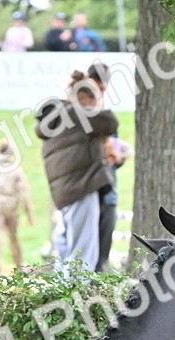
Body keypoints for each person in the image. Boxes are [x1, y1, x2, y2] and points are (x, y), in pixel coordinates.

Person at [35, 63, 118, 272]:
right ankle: (76, 298)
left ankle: (63, 291)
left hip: (65, 194)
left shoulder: (59, 117)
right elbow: (110, 121)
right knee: (83, 254)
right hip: (82, 188)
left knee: (68, 251)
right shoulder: (77, 115)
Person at [0, 140, 35, 275]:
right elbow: (24, 192)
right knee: (14, 237)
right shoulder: (16, 169)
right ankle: (19, 265)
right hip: (11, 205)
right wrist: (30, 214)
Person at [96, 136, 128, 272]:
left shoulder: (112, 147)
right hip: (92, 200)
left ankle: (99, 271)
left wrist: (119, 156)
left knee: (105, 241)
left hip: (109, 201)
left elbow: (126, 151)